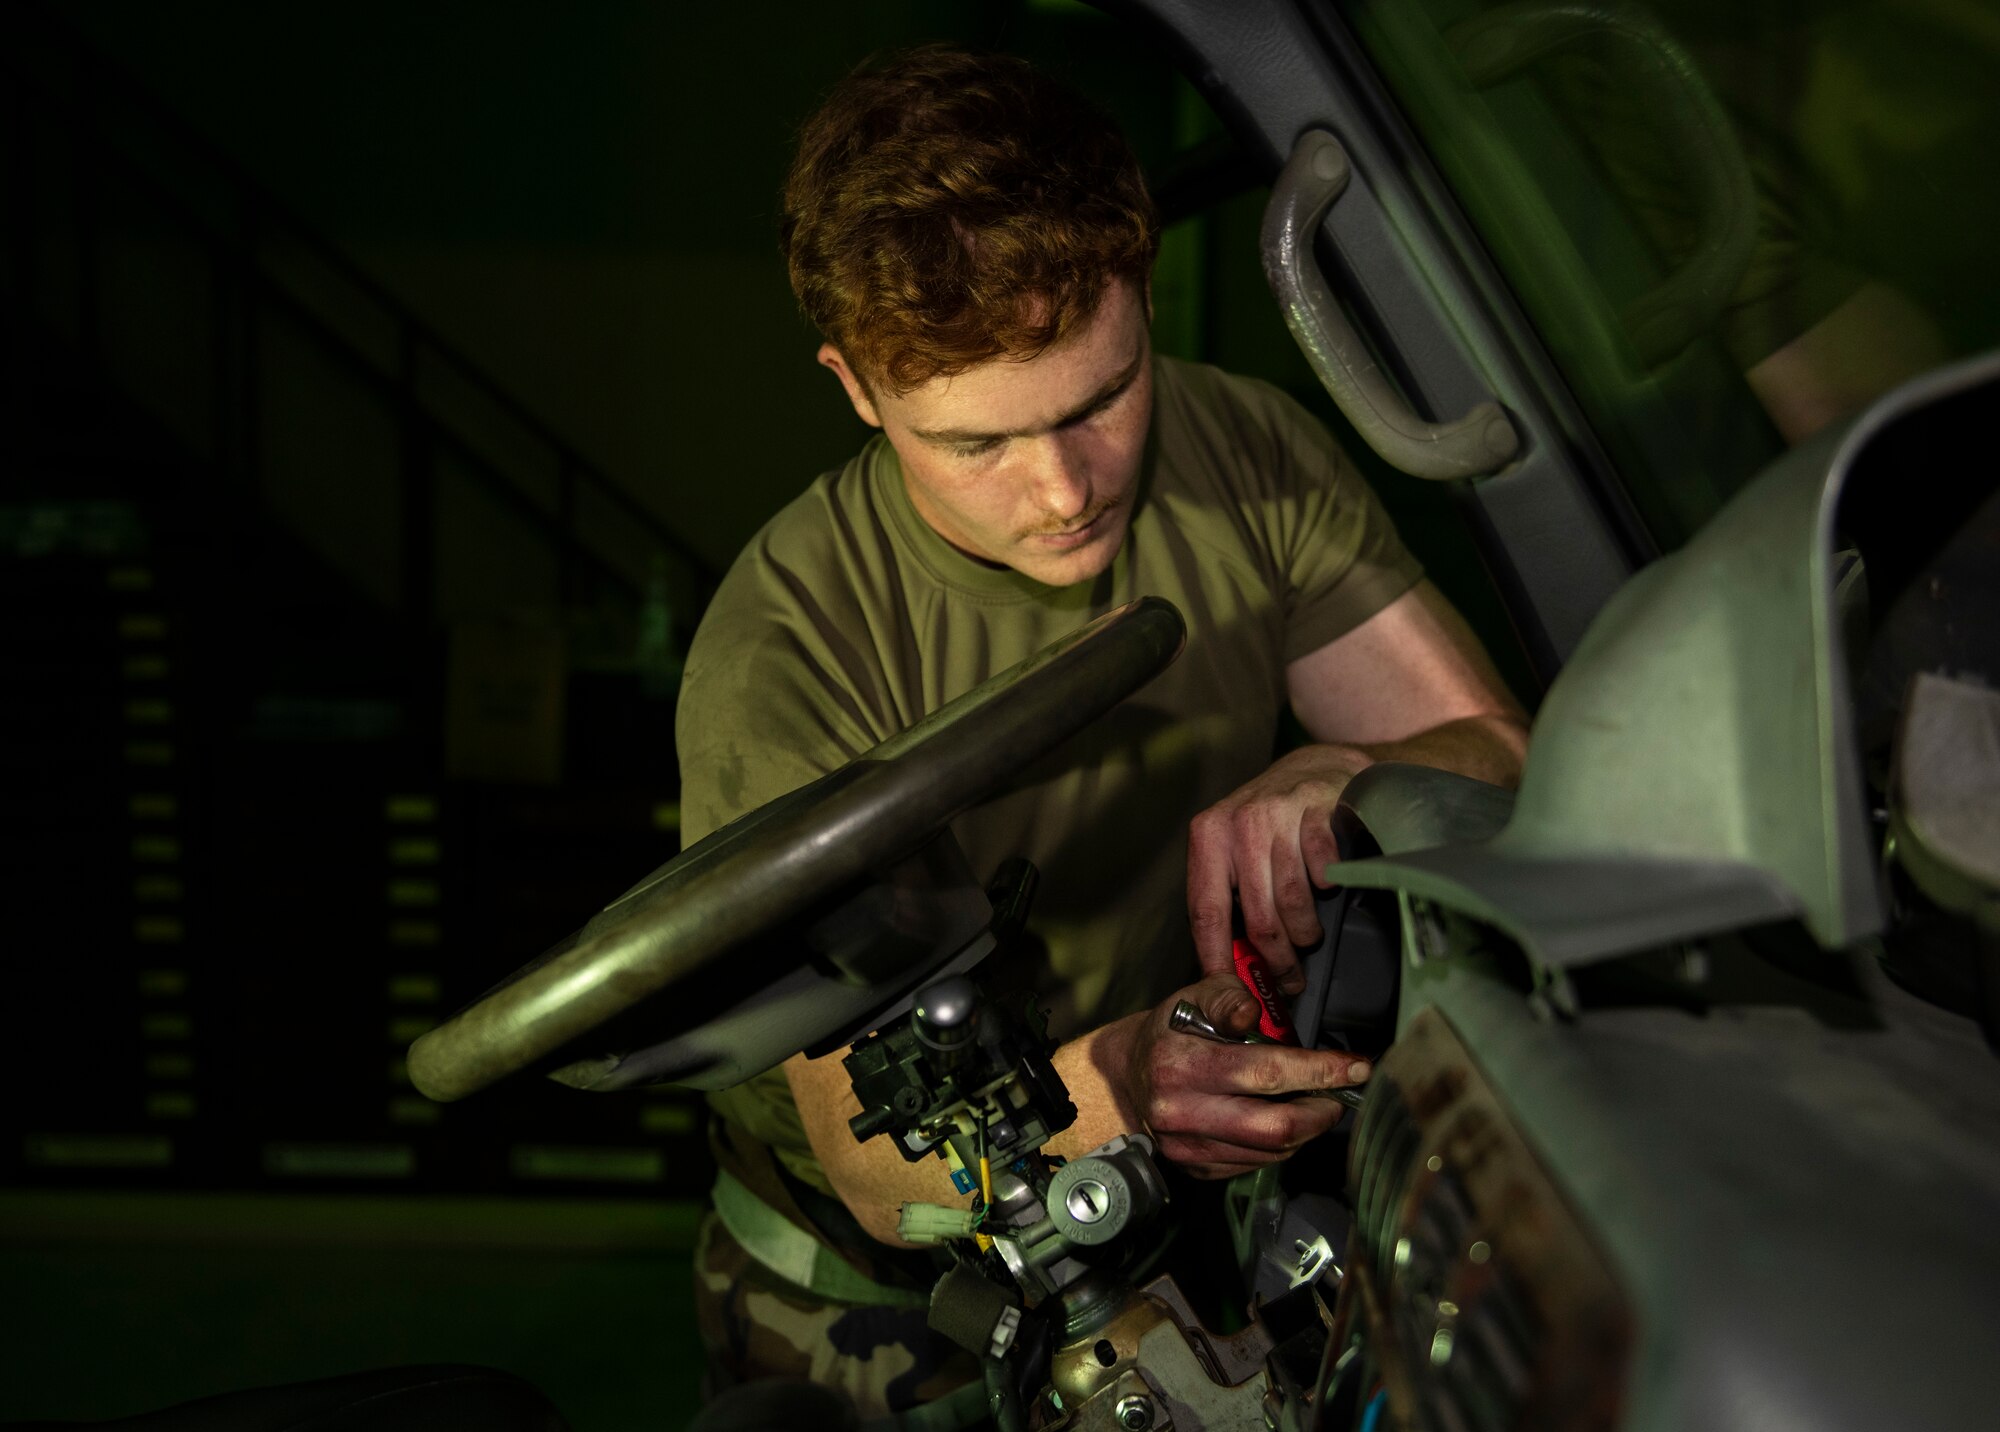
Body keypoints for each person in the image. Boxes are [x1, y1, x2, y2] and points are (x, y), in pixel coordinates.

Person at [676, 45, 1528, 1419]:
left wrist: (1347, 765)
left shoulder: (1244, 453)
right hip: (868, 1302)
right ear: (855, 388)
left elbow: (1495, 747)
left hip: (1177, 1213)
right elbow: (873, 1165)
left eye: (1101, 397)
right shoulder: (787, 653)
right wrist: (1127, 1076)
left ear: (1139, 296)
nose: (1066, 488)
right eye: (978, 446)